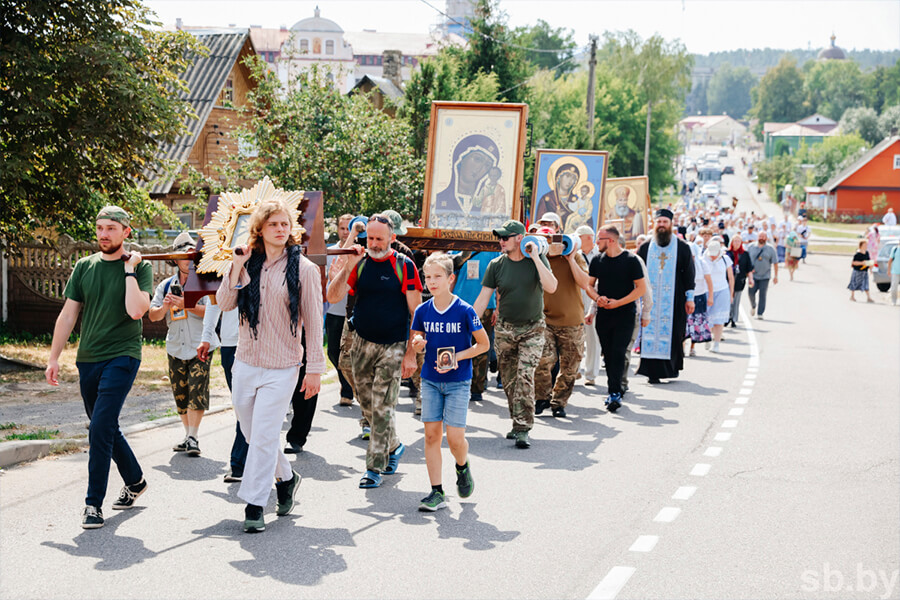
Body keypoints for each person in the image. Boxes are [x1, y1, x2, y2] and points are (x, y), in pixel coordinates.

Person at [216, 199, 325, 533]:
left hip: (283, 366)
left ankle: (253, 504)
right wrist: (236, 265)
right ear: (259, 229)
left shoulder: (305, 269)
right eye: (273, 224)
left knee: (264, 436)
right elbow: (224, 303)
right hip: (246, 362)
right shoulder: (247, 264)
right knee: (253, 433)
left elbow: (314, 322)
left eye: (285, 224)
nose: (280, 229)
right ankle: (287, 478)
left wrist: (314, 368)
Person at [45, 206, 152, 529]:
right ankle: (135, 480)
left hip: (123, 355)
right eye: (100, 227)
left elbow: (137, 311)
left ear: (125, 232)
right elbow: (68, 314)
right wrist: (53, 357)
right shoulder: (84, 266)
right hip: (88, 357)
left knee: (100, 427)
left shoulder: (141, 266)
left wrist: (130, 271)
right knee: (102, 425)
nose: (104, 234)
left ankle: (93, 504)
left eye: (111, 228)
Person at [326, 214, 422, 489]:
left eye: (380, 238)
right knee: (368, 405)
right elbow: (332, 297)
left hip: (393, 345)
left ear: (392, 238)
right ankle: (394, 445)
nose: (375, 243)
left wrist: (410, 354)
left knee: (382, 407)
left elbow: (416, 312)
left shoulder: (405, 266)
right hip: (362, 343)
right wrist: (348, 266)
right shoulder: (360, 263)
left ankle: (373, 468)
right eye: (370, 238)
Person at [410, 254, 489, 511]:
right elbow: (417, 341)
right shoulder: (422, 311)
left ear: (450, 278)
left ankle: (462, 466)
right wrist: (418, 344)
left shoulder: (464, 310)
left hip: (458, 381)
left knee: (455, 439)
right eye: (428, 277)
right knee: (432, 436)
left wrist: (458, 357)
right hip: (430, 380)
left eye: (437, 276)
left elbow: (483, 344)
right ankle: (436, 492)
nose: (431, 282)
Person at [472, 220, 558, 449]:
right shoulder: (496, 265)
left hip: (533, 328)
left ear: (520, 238)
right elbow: (483, 298)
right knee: (509, 380)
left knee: (524, 375)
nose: (501, 241)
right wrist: (468, 324)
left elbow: (551, 287)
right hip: (505, 329)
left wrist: (537, 258)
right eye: (500, 237)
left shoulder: (536, 262)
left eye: (505, 237)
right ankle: (517, 420)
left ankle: (523, 428)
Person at [148, 232, 216, 456]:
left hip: (201, 345)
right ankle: (188, 435)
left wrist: (187, 304)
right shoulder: (166, 285)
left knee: (197, 390)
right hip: (175, 346)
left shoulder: (205, 282)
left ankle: (193, 437)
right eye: (183, 256)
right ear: (174, 260)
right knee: (181, 393)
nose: (188, 260)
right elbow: (153, 315)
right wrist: (167, 306)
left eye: (191, 255)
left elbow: (214, 311)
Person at [533, 215, 591, 418]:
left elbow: (585, 283)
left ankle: (559, 402)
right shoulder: (536, 256)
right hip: (544, 318)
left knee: (570, 365)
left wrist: (570, 259)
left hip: (571, 319)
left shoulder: (573, 253)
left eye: (550, 229)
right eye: (543, 229)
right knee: (542, 360)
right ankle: (541, 397)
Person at [586, 225, 647, 412]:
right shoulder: (597, 260)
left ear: (610, 240)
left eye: (599, 239)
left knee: (619, 352)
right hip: (604, 315)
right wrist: (597, 299)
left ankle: (614, 393)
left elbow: (641, 289)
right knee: (609, 354)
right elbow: (589, 286)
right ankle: (614, 389)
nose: (596, 242)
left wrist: (619, 303)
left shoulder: (631, 260)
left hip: (625, 314)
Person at [636, 209, 696, 384]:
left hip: (675, 300)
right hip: (650, 300)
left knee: (674, 333)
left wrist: (690, 297)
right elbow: (636, 271)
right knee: (648, 332)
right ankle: (651, 372)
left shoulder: (682, 247)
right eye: (659, 222)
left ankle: (670, 369)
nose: (662, 225)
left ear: (671, 224)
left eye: (665, 222)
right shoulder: (645, 247)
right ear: (655, 224)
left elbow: (689, 274)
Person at [198, 305, 245, 482]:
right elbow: (213, 301)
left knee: (247, 407)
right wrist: (206, 336)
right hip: (230, 344)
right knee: (242, 407)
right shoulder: (223, 275)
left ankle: (240, 463)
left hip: (260, 344)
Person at [450, 250, 499, 402]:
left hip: (486, 306)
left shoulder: (493, 252)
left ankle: (477, 387)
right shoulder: (457, 251)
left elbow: (499, 283)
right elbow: (452, 278)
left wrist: (498, 307)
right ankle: (454, 384)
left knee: (481, 347)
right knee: (456, 346)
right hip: (459, 304)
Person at [326, 214, 355, 407]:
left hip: (353, 311)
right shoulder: (330, 252)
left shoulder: (358, 251)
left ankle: (347, 390)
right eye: (342, 228)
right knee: (333, 351)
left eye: (349, 228)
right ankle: (347, 385)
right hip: (334, 310)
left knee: (351, 354)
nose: (345, 232)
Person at [576, 226, 601, 385]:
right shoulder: (574, 255)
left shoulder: (600, 255)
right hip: (577, 302)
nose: (577, 240)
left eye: (580, 237)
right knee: (575, 340)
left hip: (593, 303)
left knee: (593, 340)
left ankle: (591, 375)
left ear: (588, 238)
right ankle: (575, 370)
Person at [703, 240, 734, 353]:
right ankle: (708, 337)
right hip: (706, 291)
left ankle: (716, 343)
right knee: (707, 317)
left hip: (722, 290)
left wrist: (731, 294)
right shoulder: (704, 259)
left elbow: (730, 277)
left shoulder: (725, 259)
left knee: (719, 319)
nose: (713, 255)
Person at [686, 236, 713, 356]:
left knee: (695, 323)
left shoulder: (702, 263)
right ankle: (682, 347)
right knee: (684, 323)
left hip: (699, 296)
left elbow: (709, 280)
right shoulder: (682, 264)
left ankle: (692, 347)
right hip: (685, 297)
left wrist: (710, 296)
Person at [747, 231, 778, 319]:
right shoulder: (751, 247)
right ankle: (753, 305)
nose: (762, 238)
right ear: (757, 237)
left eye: (764, 237)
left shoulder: (770, 249)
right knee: (751, 293)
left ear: (766, 238)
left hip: (765, 276)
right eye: (760, 236)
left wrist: (776, 276)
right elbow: (746, 260)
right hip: (753, 276)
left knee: (762, 295)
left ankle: (760, 313)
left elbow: (775, 263)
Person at [725, 235, 753, 327]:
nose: (736, 243)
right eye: (735, 241)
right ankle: (727, 317)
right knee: (728, 300)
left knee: (736, 300)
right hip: (727, 280)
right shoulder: (727, 254)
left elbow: (749, 268)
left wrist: (751, 279)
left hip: (739, 280)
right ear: (732, 242)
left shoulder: (745, 254)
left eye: (738, 241)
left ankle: (734, 318)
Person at [887, 242, 900, 306]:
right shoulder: (895, 249)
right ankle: (893, 300)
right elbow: (890, 260)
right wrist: (888, 270)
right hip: (895, 271)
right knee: (894, 287)